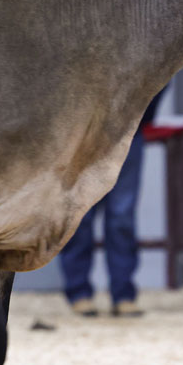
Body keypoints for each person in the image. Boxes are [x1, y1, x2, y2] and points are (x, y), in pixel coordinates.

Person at [60, 93, 162, 318]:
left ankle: (123, 294)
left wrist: (142, 115)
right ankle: (79, 292)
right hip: (81, 134)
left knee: (122, 216)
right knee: (80, 215)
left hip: (128, 131)